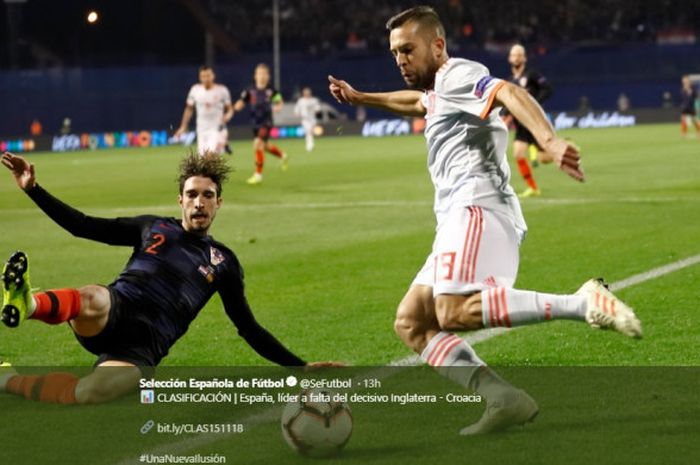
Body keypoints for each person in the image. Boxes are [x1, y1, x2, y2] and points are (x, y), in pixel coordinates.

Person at [329, 6, 642, 435]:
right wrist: (361, 97)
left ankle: (585, 303)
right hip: (458, 217)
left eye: (408, 50)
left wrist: (548, 141)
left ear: (437, 46)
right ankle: (502, 398)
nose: (400, 59)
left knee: (452, 311)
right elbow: (417, 102)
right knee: (413, 322)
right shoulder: (438, 88)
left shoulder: (457, 74)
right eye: (394, 52)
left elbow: (508, 91)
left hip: (477, 207)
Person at [0, 151, 332, 405]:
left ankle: (7, 380)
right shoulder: (153, 227)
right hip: (113, 312)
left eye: (207, 196)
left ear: (219, 203)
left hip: (143, 349)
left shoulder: (224, 262)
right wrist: (33, 189)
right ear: (180, 200)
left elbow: (248, 327)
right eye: (191, 195)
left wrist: (298, 367)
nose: (199, 203)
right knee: (92, 296)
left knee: (90, 393)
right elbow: (83, 225)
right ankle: (27, 303)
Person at [504, 44, 553, 198]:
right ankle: (533, 188)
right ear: (509, 59)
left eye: (519, 54)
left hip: (534, 122)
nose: (517, 57)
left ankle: (566, 147)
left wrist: (534, 102)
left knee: (545, 159)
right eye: (514, 55)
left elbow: (548, 89)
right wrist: (505, 114)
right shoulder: (510, 81)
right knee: (518, 153)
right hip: (521, 124)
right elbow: (509, 101)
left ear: (524, 58)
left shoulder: (532, 74)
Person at [234, 63, 288, 185]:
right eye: (259, 73)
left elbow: (279, 101)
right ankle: (283, 155)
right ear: (255, 76)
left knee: (257, 144)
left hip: (266, 122)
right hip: (254, 123)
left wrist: (278, 107)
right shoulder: (250, 90)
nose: (262, 76)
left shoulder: (271, 91)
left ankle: (258, 175)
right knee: (266, 146)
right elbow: (242, 101)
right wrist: (236, 106)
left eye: (264, 74)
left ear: (268, 76)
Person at [175, 66, 234, 156]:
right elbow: (189, 109)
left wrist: (228, 116)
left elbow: (230, 109)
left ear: (213, 76)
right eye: (203, 76)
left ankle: (223, 141)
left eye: (208, 76)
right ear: (200, 77)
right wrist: (183, 126)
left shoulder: (222, 90)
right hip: (201, 130)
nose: (206, 79)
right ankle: (224, 144)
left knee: (210, 156)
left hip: (217, 129)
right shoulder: (195, 90)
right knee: (203, 161)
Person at [294, 87, 322, 152]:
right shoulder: (301, 101)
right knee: (308, 131)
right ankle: (309, 145)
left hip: (312, 119)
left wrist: (316, 110)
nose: (307, 93)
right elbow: (296, 110)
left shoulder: (314, 100)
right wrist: (297, 114)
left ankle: (310, 143)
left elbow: (318, 109)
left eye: (308, 92)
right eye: (305, 92)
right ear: (303, 93)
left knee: (311, 132)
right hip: (305, 119)